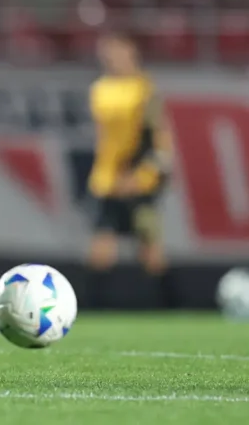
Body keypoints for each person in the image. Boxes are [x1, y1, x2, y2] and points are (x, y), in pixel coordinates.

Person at [84, 32, 178, 309]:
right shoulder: (99, 90)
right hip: (108, 183)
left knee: (151, 253)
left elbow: (159, 139)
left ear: (131, 52)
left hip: (140, 183)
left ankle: (173, 307)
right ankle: (91, 312)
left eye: (117, 51)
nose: (111, 57)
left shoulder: (144, 90)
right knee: (101, 252)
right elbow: (104, 140)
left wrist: (143, 174)